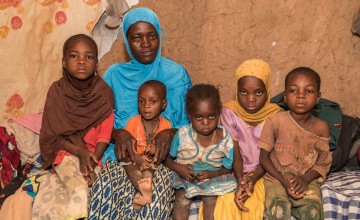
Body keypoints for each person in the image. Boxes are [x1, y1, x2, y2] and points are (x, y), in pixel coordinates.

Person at [88, 7, 192, 220]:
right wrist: (118, 134)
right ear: (126, 41)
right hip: (121, 156)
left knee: (156, 199)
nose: (145, 44)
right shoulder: (114, 76)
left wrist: (169, 133)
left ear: (159, 36)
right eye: (136, 38)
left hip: (162, 159)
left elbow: (192, 124)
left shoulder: (176, 74)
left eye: (152, 36)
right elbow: (98, 121)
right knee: (105, 190)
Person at [36, 34, 114, 219]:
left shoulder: (103, 92)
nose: (81, 61)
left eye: (89, 57)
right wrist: (79, 152)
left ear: (96, 63)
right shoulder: (57, 91)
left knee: (98, 188)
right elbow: (51, 136)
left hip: (96, 155)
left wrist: (92, 159)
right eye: (74, 56)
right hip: (66, 153)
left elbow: (105, 133)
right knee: (79, 189)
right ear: (64, 62)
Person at [259, 67, 332, 219]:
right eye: (293, 91)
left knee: (313, 211)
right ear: (285, 96)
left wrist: (305, 179)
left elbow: (323, 163)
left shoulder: (322, 127)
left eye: (309, 91)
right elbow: (263, 158)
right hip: (276, 179)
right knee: (277, 210)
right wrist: (284, 181)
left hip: (306, 179)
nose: (300, 95)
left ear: (318, 97)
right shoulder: (275, 121)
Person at [215, 59, 282, 219]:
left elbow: (270, 157)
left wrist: (252, 178)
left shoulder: (276, 116)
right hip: (235, 170)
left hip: (263, 172)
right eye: (243, 92)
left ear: (267, 91)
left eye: (258, 92)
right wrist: (240, 180)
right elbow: (234, 151)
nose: (250, 99)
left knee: (252, 205)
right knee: (226, 203)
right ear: (236, 91)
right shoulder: (229, 112)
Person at [165, 84, 237, 220]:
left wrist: (212, 173)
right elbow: (167, 159)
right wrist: (179, 168)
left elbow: (228, 168)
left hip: (212, 179)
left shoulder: (225, 138)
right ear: (189, 116)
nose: (205, 122)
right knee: (181, 201)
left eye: (211, 116)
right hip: (185, 178)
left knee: (210, 202)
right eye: (199, 117)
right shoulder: (183, 135)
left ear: (219, 113)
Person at [122, 80, 171, 209]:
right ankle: (141, 189)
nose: (146, 106)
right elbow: (126, 147)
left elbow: (166, 150)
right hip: (133, 159)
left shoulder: (166, 126)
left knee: (151, 169)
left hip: (152, 163)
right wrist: (137, 158)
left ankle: (144, 192)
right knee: (128, 167)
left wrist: (154, 151)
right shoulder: (133, 122)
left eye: (152, 102)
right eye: (141, 101)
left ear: (163, 104)